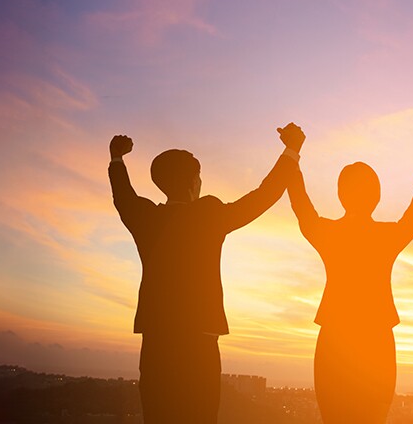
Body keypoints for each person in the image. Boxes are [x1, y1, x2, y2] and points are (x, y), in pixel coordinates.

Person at [108, 129, 302, 423]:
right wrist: (291, 152)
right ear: (191, 182)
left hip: (157, 341)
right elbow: (263, 197)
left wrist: (117, 158)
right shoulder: (208, 215)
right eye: (198, 176)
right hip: (199, 345)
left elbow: (123, 195)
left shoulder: (145, 218)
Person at [279, 123, 413, 423]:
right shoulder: (386, 236)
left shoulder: (326, 232)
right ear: (376, 196)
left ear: (340, 195)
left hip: (334, 341)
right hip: (377, 340)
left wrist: (292, 150)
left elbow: (299, 201)